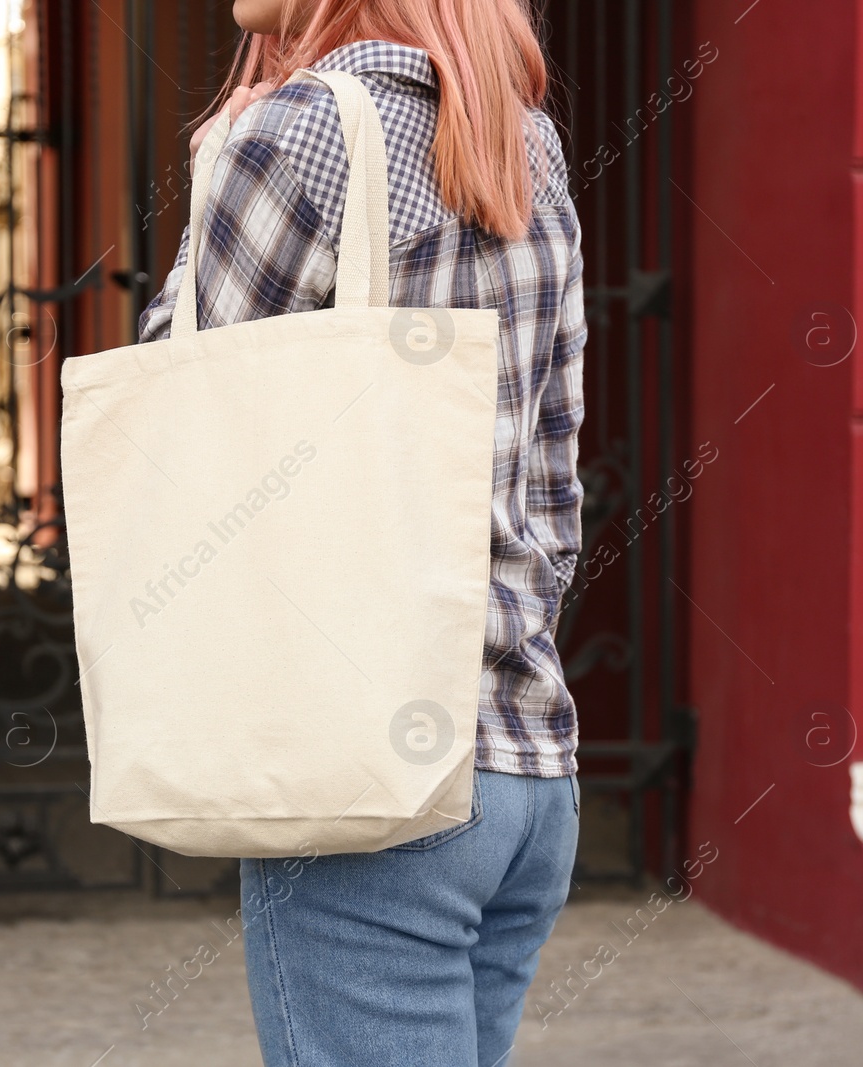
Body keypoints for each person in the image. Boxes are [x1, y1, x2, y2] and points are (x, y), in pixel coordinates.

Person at [136, 1, 586, 1064]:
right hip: (528, 772)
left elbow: (174, 421)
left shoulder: (286, 135)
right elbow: (555, 480)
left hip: (373, 794)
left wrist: (212, 194)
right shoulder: (528, 140)